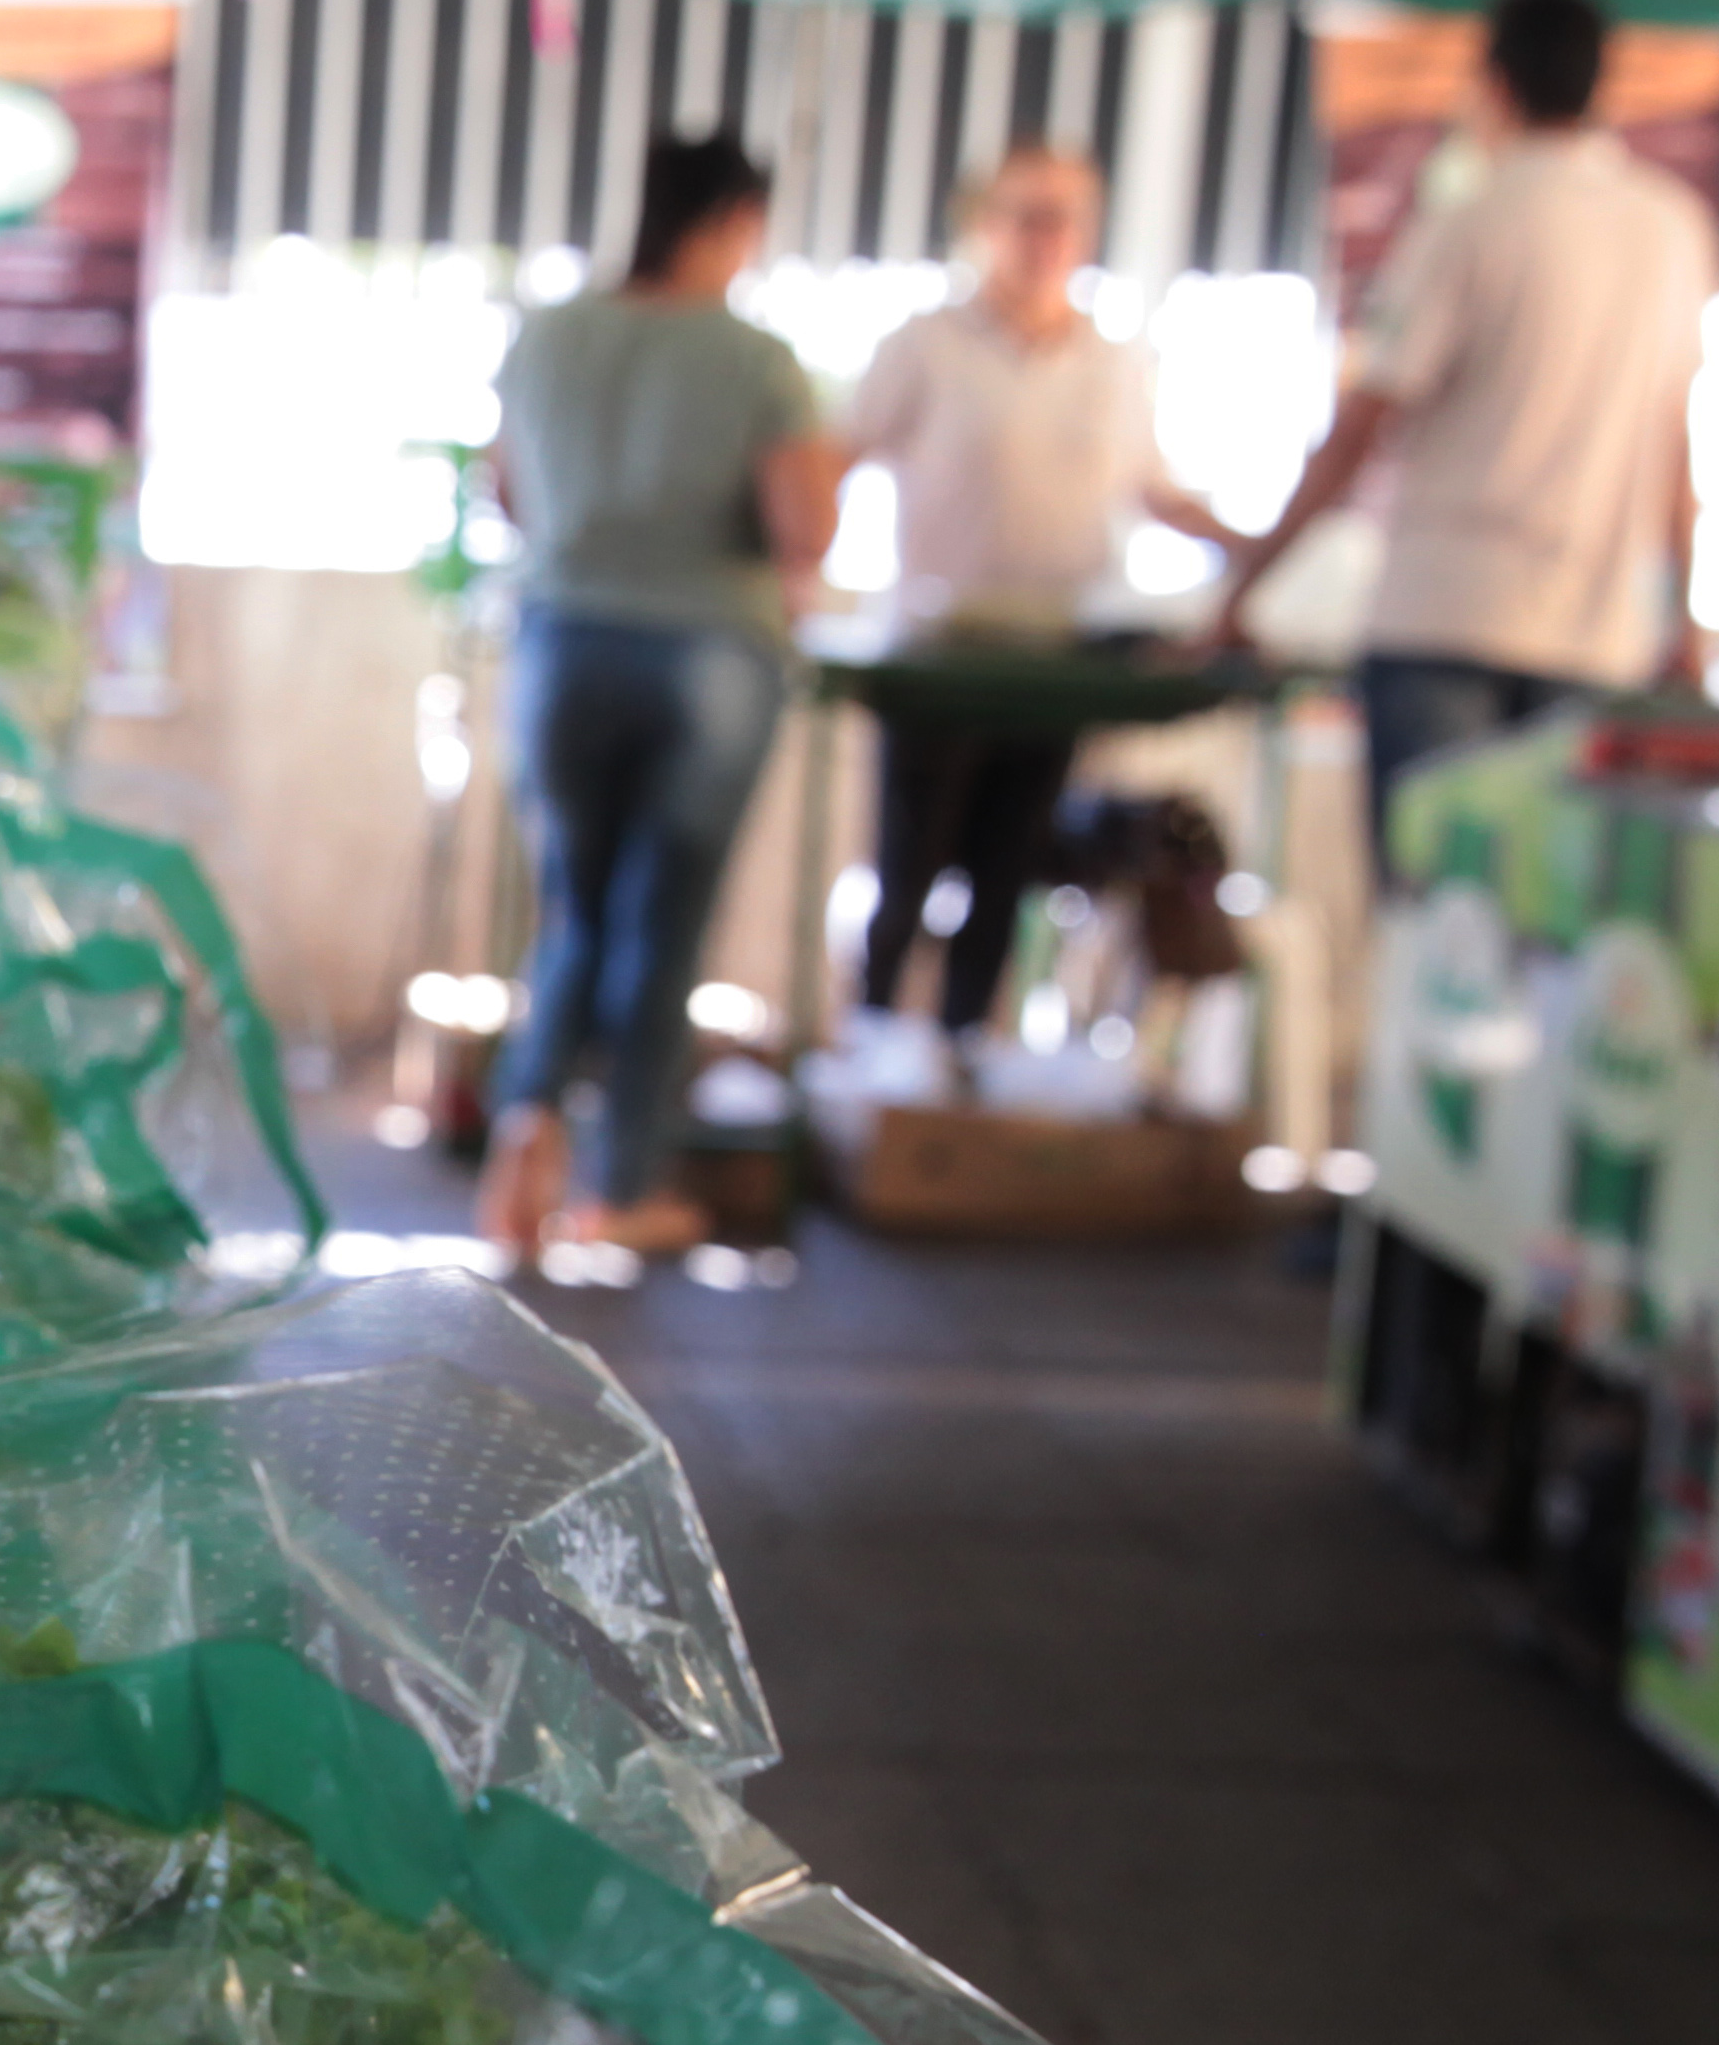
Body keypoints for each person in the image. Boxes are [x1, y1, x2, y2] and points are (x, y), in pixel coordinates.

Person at [1212, 0, 1718, 892]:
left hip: (1446, 617)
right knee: (1552, 927)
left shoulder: (1471, 221)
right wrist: (1688, 621)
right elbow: (1677, 446)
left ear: (1494, 82)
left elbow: (1362, 428)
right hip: (1598, 635)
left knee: (1430, 916)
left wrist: (1244, 591)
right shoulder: (1673, 231)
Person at [477, 135, 836, 1259]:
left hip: (563, 641)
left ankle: (527, 1130)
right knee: (664, 924)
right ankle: (623, 1184)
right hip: (711, 653)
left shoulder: (549, 336)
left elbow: (508, 491)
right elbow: (804, 528)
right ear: (733, 221)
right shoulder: (757, 361)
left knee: (572, 913)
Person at [831, 143, 1250, 1061]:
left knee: (1006, 871)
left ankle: (962, 1059)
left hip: (1057, 656)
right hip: (939, 654)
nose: (1046, 237)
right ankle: (867, 1053)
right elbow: (840, 457)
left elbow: (1155, 488)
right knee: (908, 869)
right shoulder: (925, 345)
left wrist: (1260, 556)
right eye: (1027, 215)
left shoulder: (1114, 358)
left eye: (1065, 218)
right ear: (985, 225)